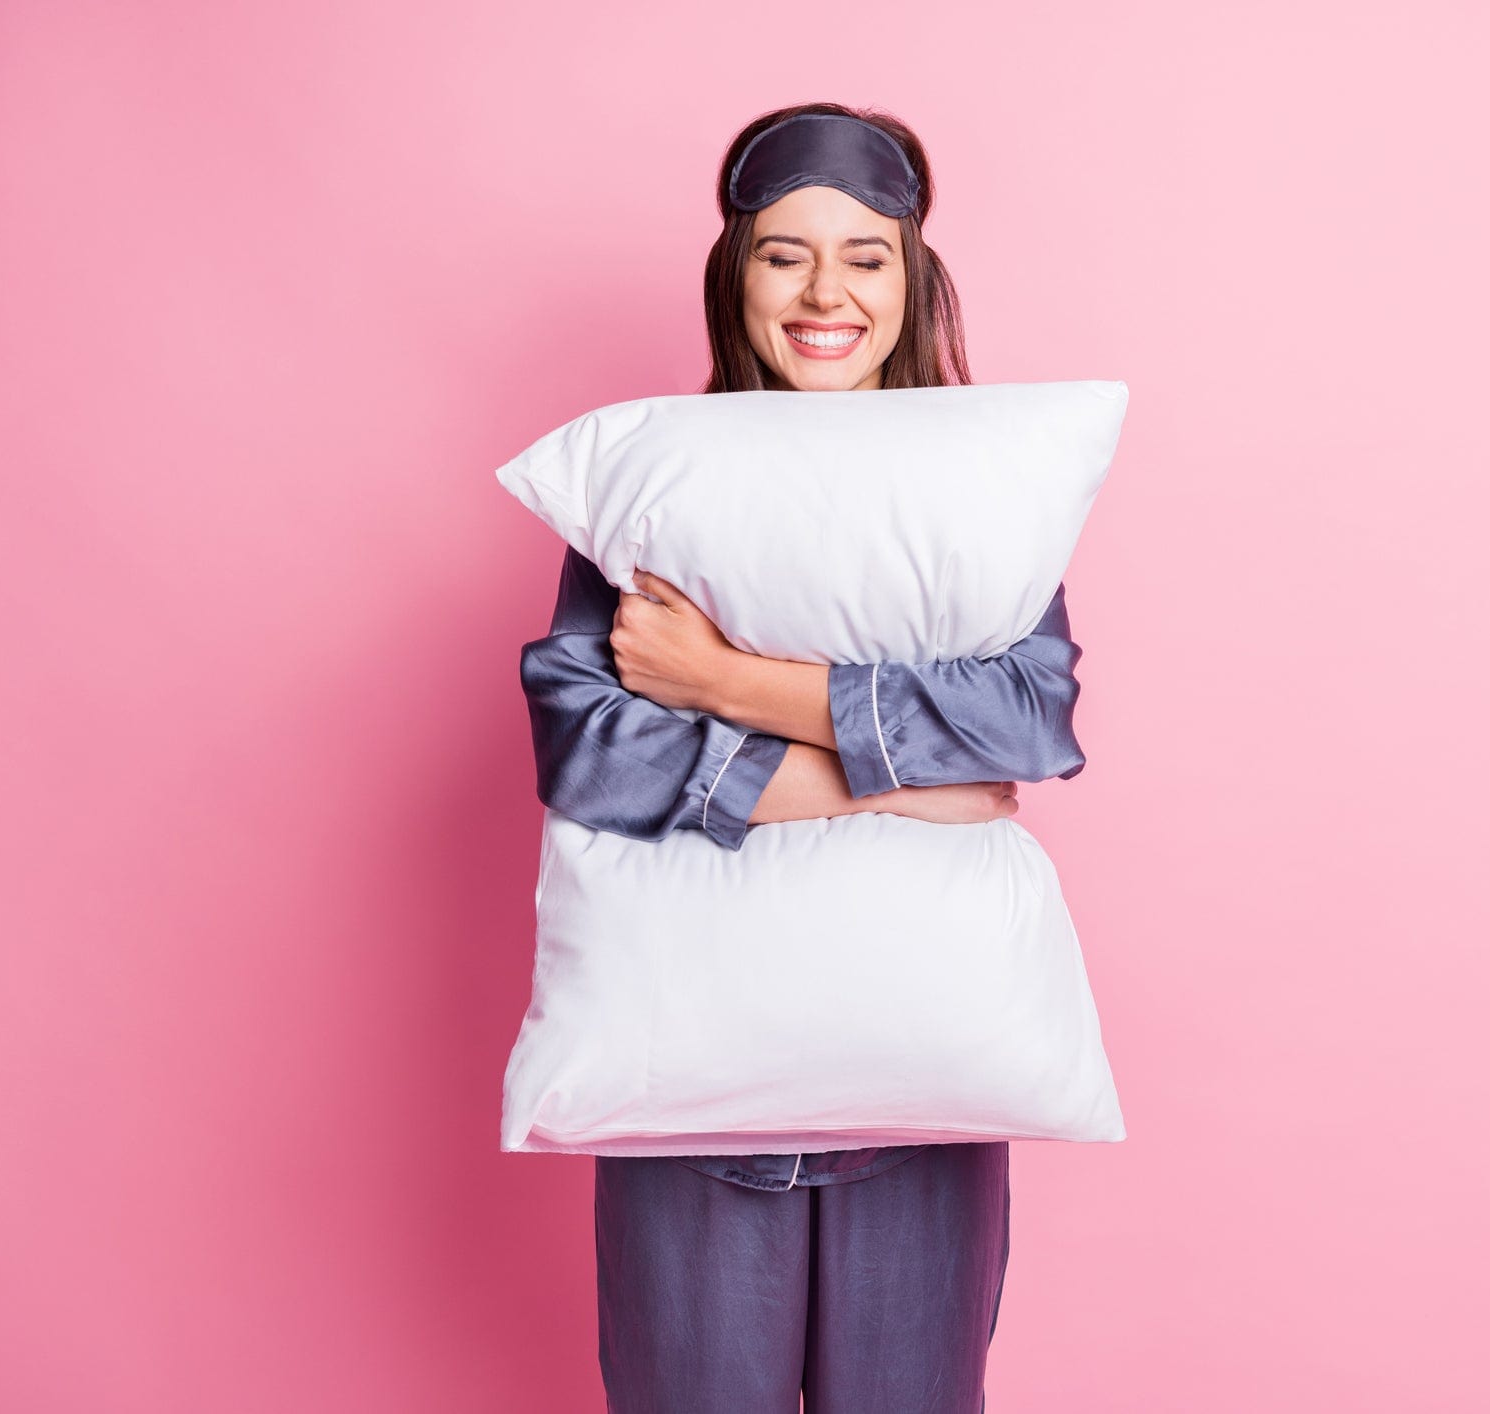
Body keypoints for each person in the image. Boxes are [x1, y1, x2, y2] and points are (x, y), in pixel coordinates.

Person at [515, 103, 1089, 1413]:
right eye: (785, 254)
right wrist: (894, 779)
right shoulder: (651, 483)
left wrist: (725, 682)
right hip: (696, 1097)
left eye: (864, 255)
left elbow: (1025, 719)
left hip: (919, 1091)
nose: (825, 291)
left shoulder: (976, 496)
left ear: (911, 275)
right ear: (736, 274)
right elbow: (592, 743)